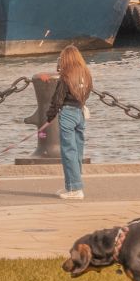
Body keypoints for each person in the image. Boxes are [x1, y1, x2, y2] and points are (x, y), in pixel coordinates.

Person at [42, 46, 93, 200]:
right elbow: (88, 91)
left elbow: (57, 99)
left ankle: (75, 189)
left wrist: (49, 117)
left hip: (68, 114)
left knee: (68, 151)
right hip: (80, 113)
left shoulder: (66, 76)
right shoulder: (86, 74)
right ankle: (70, 186)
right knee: (77, 151)